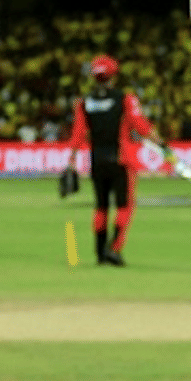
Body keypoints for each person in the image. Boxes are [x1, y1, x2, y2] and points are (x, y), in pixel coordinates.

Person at [65, 55, 161, 266]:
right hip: (121, 160)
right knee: (125, 206)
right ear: (113, 75)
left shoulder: (84, 102)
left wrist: (71, 161)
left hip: (97, 161)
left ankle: (100, 253)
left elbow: (78, 133)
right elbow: (140, 124)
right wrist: (160, 141)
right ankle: (114, 249)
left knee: (101, 206)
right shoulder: (125, 99)